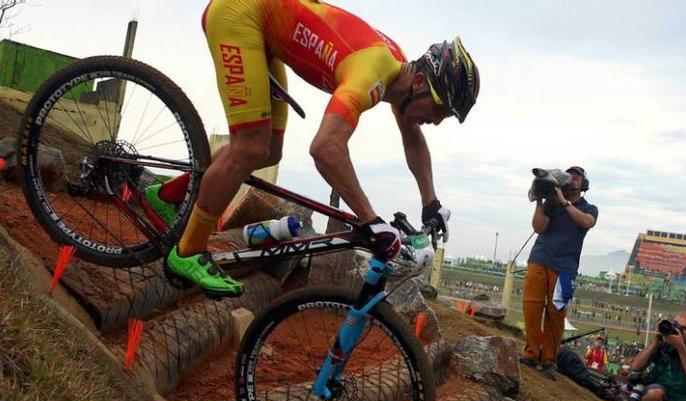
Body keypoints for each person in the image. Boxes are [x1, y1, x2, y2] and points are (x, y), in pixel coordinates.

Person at [146, 0, 479, 297]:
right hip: (240, 14)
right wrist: (370, 220)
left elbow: (412, 137)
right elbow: (325, 148)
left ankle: (168, 196)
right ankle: (187, 253)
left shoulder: (400, 73)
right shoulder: (371, 75)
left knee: (268, 151)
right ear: (420, 83)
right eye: (441, 109)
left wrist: (430, 201)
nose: (438, 120)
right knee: (249, 147)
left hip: (264, 29)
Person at [519, 166, 598, 380]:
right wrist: (539, 200)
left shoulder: (589, 208)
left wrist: (564, 202)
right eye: (569, 177)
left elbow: (586, 222)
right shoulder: (551, 203)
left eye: (576, 178)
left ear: (583, 184)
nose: (572, 180)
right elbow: (538, 227)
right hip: (540, 259)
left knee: (556, 315)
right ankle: (532, 353)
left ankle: (549, 360)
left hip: (565, 269)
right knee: (531, 307)